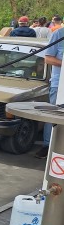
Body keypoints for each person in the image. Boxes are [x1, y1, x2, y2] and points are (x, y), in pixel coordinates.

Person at [37, 27, 64, 158]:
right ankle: (47, 146)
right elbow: (48, 59)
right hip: (59, 85)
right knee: (53, 115)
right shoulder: (59, 34)